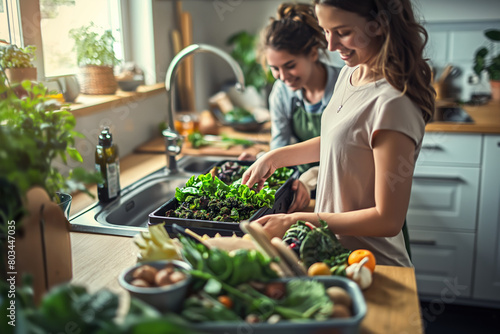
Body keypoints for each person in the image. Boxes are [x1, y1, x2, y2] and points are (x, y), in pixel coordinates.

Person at [242, 0, 435, 267]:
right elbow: (340, 143)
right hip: (334, 254)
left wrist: (293, 220)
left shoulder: (394, 102)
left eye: (342, 32)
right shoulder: (350, 73)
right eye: (326, 31)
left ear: (379, 24)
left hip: (373, 264)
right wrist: (274, 158)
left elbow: (388, 220)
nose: (331, 46)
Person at [238, 2, 342, 212]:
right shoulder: (282, 92)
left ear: (313, 53)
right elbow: (280, 148)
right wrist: (261, 161)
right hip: (299, 191)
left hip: (343, 190)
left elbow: (347, 151)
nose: (283, 77)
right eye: (275, 68)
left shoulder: (343, 87)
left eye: (290, 65)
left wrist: (310, 178)